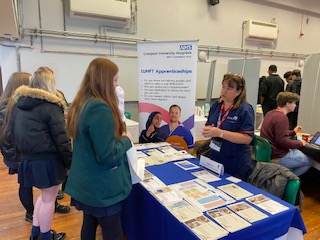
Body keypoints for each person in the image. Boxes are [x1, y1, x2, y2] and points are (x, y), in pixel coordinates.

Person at [65, 58, 133, 240]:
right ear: (104, 81)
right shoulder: (99, 108)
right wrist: (126, 140)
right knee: (113, 234)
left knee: (89, 225)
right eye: (115, 80)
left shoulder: (83, 103)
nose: (117, 85)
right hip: (101, 187)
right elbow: (107, 154)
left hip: (88, 184)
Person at [8, 69, 72, 240]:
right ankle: (45, 236)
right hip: (47, 160)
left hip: (28, 159)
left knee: (43, 199)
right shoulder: (51, 106)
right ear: (49, 84)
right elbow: (62, 140)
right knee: (49, 200)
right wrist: (69, 164)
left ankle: (36, 233)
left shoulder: (19, 105)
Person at [201, 73, 254, 181]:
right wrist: (208, 131)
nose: (224, 91)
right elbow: (210, 124)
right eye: (223, 87)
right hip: (216, 157)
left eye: (229, 88)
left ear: (238, 92)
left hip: (236, 162)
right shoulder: (216, 105)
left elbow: (247, 138)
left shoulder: (245, 109)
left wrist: (220, 133)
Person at [0, 72, 32, 221]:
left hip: (14, 153)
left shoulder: (5, 103)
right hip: (18, 154)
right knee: (26, 184)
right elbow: (9, 135)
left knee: (25, 183)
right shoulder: (12, 106)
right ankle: (31, 213)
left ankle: (31, 212)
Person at [260, 91, 312, 176]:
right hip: (278, 156)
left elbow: (276, 132)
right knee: (309, 161)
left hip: (269, 153)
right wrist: (300, 143)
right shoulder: (282, 118)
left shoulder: (270, 113)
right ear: (288, 103)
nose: (295, 105)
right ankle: (287, 180)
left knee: (297, 152)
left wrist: (293, 132)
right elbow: (282, 142)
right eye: (294, 103)